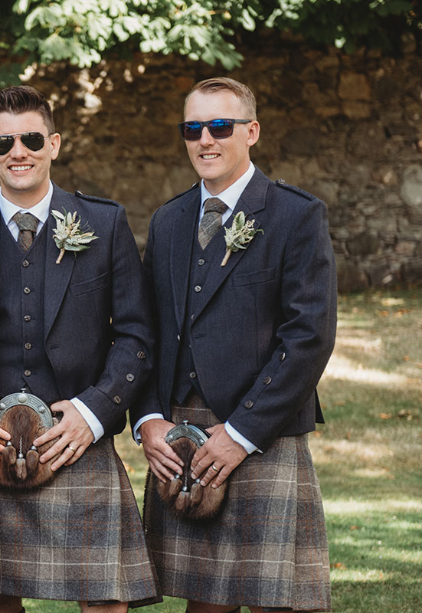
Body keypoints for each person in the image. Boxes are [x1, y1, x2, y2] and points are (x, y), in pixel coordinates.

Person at [0, 85, 159, 613]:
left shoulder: (103, 224)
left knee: (105, 596)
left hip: (76, 437)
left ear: (54, 143)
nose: (20, 150)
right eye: (5, 141)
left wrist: (94, 413)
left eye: (32, 137)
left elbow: (136, 335)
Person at [134, 77, 336, 612]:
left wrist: (242, 433)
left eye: (220, 126)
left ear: (252, 131)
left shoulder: (296, 215)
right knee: (203, 601)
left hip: (263, 432)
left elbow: (309, 337)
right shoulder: (169, 220)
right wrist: (149, 416)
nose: (206, 140)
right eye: (193, 128)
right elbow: (144, 331)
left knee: (276, 601)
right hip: (181, 431)